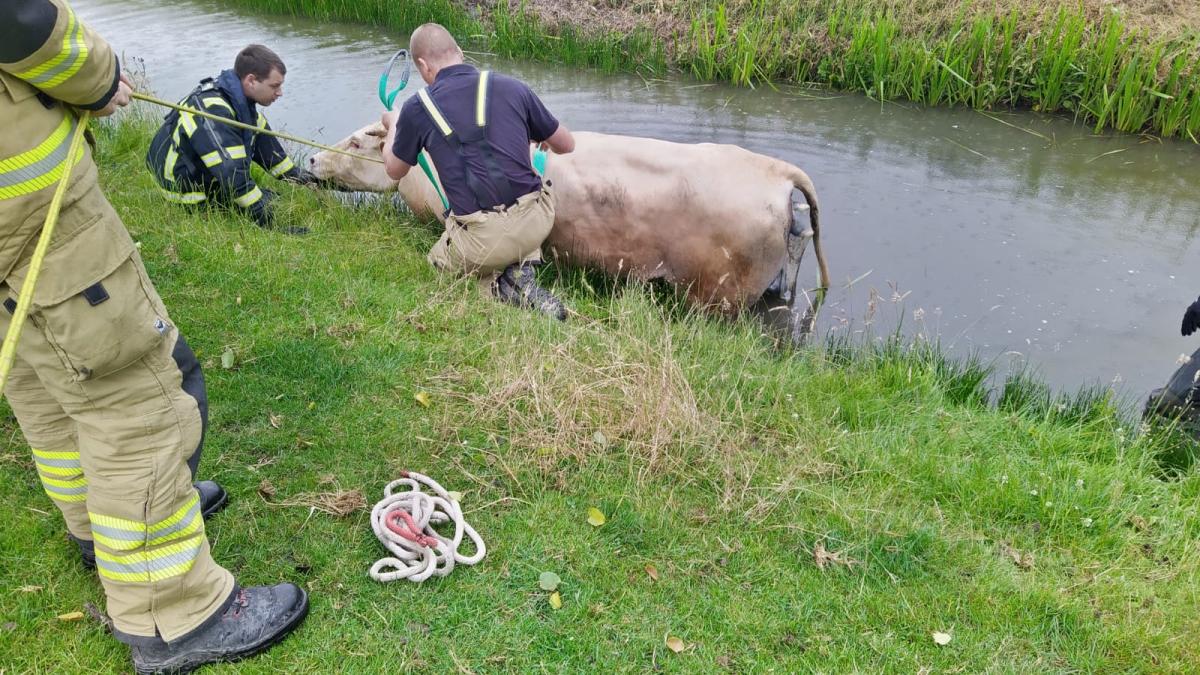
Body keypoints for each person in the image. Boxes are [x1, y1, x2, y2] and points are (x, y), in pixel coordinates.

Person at [1, 3, 308, 672]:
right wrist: (95, 73)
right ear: (252, 80)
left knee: (46, 379)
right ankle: (176, 610)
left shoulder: (237, 101)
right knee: (131, 398)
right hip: (31, 223)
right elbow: (19, 20)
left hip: (10, 240)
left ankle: (99, 531)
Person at [381, 23, 575, 319]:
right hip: (537, 223)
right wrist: (538, 135)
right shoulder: (512, 86)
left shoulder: (416, 108)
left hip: (481, 242)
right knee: (512, 223)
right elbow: (566, 144)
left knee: (436, 262)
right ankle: (522, 271)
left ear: (422, 65)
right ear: (459, 52)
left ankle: (497, 287)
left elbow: (394, 170)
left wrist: (394, 124)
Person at [146, 44, 319, 235]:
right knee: (262, 205)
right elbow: (235, 178)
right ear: (251, 80)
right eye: (275, 86)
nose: (280, 93)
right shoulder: (214, 112)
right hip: (184, 192)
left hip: (203, 178)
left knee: (272, 199)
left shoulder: (243, 108)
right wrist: (273, 228)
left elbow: (278, 162)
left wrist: (323, 180)